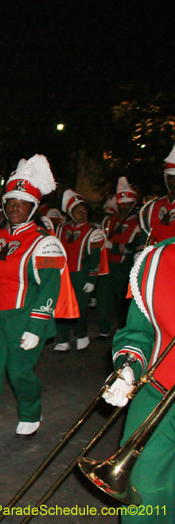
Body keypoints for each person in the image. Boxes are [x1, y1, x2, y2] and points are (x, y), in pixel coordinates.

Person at [0, 155, 78, 449]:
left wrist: (36, 326)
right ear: (4, 205)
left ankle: (30, 412)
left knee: (19, 372)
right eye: (11, 202)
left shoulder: (46, 243)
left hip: (26, 315)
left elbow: (50, 288)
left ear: (33, 208)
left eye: (22, 203)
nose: (15, 208)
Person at [101, 238, 175, 524]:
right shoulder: (155, 260)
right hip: (157, 393)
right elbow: (140, 331)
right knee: (142, 495)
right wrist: (128, 370)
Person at [53, 189, 107, 352]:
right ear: (70, 213)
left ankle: (81, 335)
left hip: (81, 275)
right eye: (78, 211)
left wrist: (91, 279)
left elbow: (95, 258)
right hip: (63, 275)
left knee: (80, 308)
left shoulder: (93, 232)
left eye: (84, 211)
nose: (82, 214)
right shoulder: (61, 229)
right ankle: (62, 339)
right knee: (61, 306)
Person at [96, 177, 142, 338]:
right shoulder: (110, 221)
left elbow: (134, 247)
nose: (124, 206)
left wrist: (114, 247)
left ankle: (122, 328)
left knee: (122, 301)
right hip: (107, 266)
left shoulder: (138, 223)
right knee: (103, 300)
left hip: (124, 268)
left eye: (128, 203)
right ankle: (104, 329)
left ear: (133, 204)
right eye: (121, 203)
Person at [138, 143, 175, 247]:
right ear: (166, 178)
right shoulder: (151, 208)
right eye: (172, 177)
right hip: (156, 261)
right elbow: (144, 241)